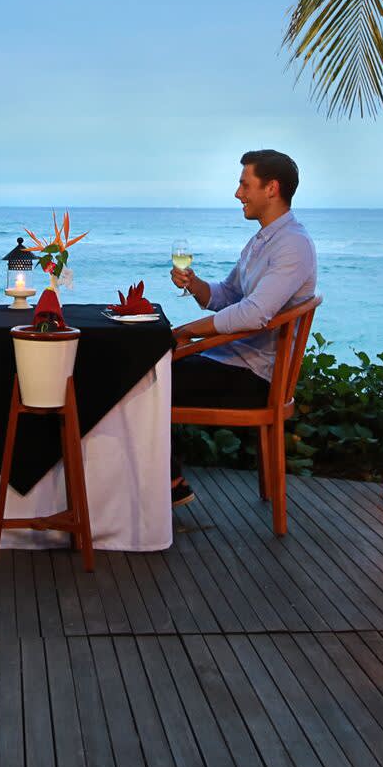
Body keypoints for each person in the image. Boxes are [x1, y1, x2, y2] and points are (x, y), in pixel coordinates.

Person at [166, 149, 317, 506]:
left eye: (245, 185)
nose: (238, 193)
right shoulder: (262, 241)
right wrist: (194, 284)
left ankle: (164, 483)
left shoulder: (293, 245)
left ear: (271, 188)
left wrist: (185, 332)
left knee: (146, 380)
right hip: (231, 362)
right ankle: (161, 481)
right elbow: (229, 294)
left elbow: (253, 314)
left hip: (254, 378)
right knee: (147, 368)